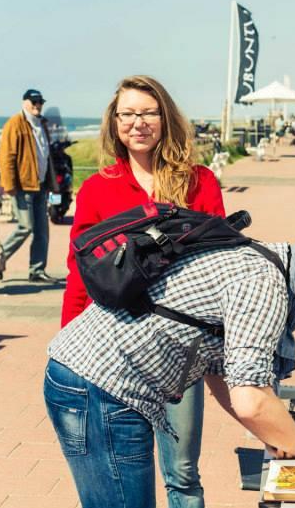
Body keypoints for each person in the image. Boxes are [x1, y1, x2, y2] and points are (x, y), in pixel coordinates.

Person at [45, 237, 295, 508]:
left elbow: (223, 376)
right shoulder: (266, 283)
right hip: (100, 386)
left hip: (95, 381)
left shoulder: (263, 264)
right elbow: (250, 400)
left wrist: (280, 435)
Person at [60, 75, 224, 508]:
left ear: (165, 117)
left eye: (148, 112)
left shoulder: (200, 182)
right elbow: (80, 274)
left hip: (179, 352)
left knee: (183, 475)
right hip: (116, 352)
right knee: (122, 469)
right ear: (114, 122)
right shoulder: (98, 189)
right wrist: (66, 343)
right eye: (128, 113)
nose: (139, 122)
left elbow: (223, 263)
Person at [0, 89, 58, 283]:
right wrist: (8, 184)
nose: (37, 105)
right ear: (24, 103)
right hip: (23, 186)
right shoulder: (15, 124)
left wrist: (51, 181)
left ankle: (37, 270)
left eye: (40, 101)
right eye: (33, 101)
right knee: (25, 226)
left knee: (42, 231)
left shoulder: (41, 124)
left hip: (40, 185)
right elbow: (7, 156)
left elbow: (46, 155)